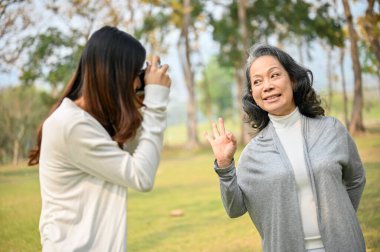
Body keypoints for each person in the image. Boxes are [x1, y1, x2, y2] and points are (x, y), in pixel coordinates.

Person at [205, 44, 366, 252]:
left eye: (274, 75)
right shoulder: (253, 154)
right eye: (257, 81)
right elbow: (234, 208)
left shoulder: (331, 129)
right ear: (253, 93)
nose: (267, 86)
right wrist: (225, 166)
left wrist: (340, 225)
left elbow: (356, 180)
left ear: (292, 79)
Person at [28, 26, 171, 251]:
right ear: (115, 76)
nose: (137, 83)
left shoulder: (88, 122)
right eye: (134, 75)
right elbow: (141, 175)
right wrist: (156, 103)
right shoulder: (71, 126)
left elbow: (137, 153)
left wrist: (138, 99)